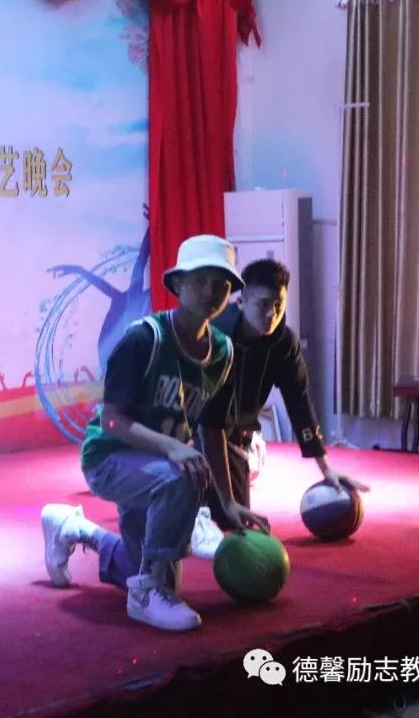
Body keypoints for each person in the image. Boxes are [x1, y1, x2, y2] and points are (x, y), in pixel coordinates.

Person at [41, 234, 268, 632]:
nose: (211, 291)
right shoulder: (143, 338)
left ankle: (73, 529)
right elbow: (112, 421)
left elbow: (211, 428)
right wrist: (171, 448)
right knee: (180, 482)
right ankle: (147, 593)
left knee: (145, 567)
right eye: (200, 280)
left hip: (158, 468)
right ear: (177, 283)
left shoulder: (223, 353)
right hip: (110, 459)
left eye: (221, 283)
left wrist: (228, 502)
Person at [198, 258, 369, 531]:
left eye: (279, 304)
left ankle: (245, 456)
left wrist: (326, 468)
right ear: (241, 302)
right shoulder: (215, 336)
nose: (272, 314)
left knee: (234, 521)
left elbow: (299, 403)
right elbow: (207, 420)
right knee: (202, 510)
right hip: (195, 428)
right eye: (263, 304)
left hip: (236, 434)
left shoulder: (284, 344)